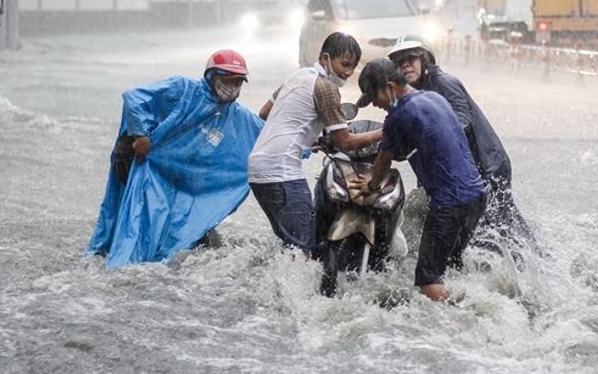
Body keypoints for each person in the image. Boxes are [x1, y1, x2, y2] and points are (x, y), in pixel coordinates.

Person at [88, 50, 264, 268]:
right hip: (135, 155)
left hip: (166, 169)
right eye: (228, 80)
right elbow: (134, 97)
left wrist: (304, 145)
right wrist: (141, 134)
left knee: (161, 218)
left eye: (238, 81)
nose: (233, 86)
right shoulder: (183, 89)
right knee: (136, 215)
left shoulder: (234, 114)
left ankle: (152, 256)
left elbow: (265, 136)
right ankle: (122, 261)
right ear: (212, 76)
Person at [387, 34, 537, 254]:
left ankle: (530, 263)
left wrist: (424, 132)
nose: (406, 65)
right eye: (400, 62)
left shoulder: (443, 83)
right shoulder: (410, 95)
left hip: (486, 166)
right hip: (458, 173)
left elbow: (462, 120)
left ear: (425, 60)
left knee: (495, 227)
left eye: (411, 58)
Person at [354, 59, 487, 303]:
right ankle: (474, 304)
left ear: (390, 87)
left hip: (449, 203)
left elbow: (383, 163)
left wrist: (371, 186)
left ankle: (463, 321)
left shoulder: (398, 115)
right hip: (477, 196)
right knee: (451, 264)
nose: (375, 104)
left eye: (375, 97)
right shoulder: (435, 98)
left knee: (427, 279)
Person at [248, 32, 382, 256]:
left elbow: (264, 113)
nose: (348, 72)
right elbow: (345, 142)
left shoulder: (297, 77)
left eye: (353, 67)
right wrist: (384, 133)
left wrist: (310, 138)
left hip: (258, 168)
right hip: (282, 172)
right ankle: (299, 291)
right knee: (304, 249)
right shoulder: (326, 88)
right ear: (325, 58)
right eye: (344, 64)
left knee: (291, 245)